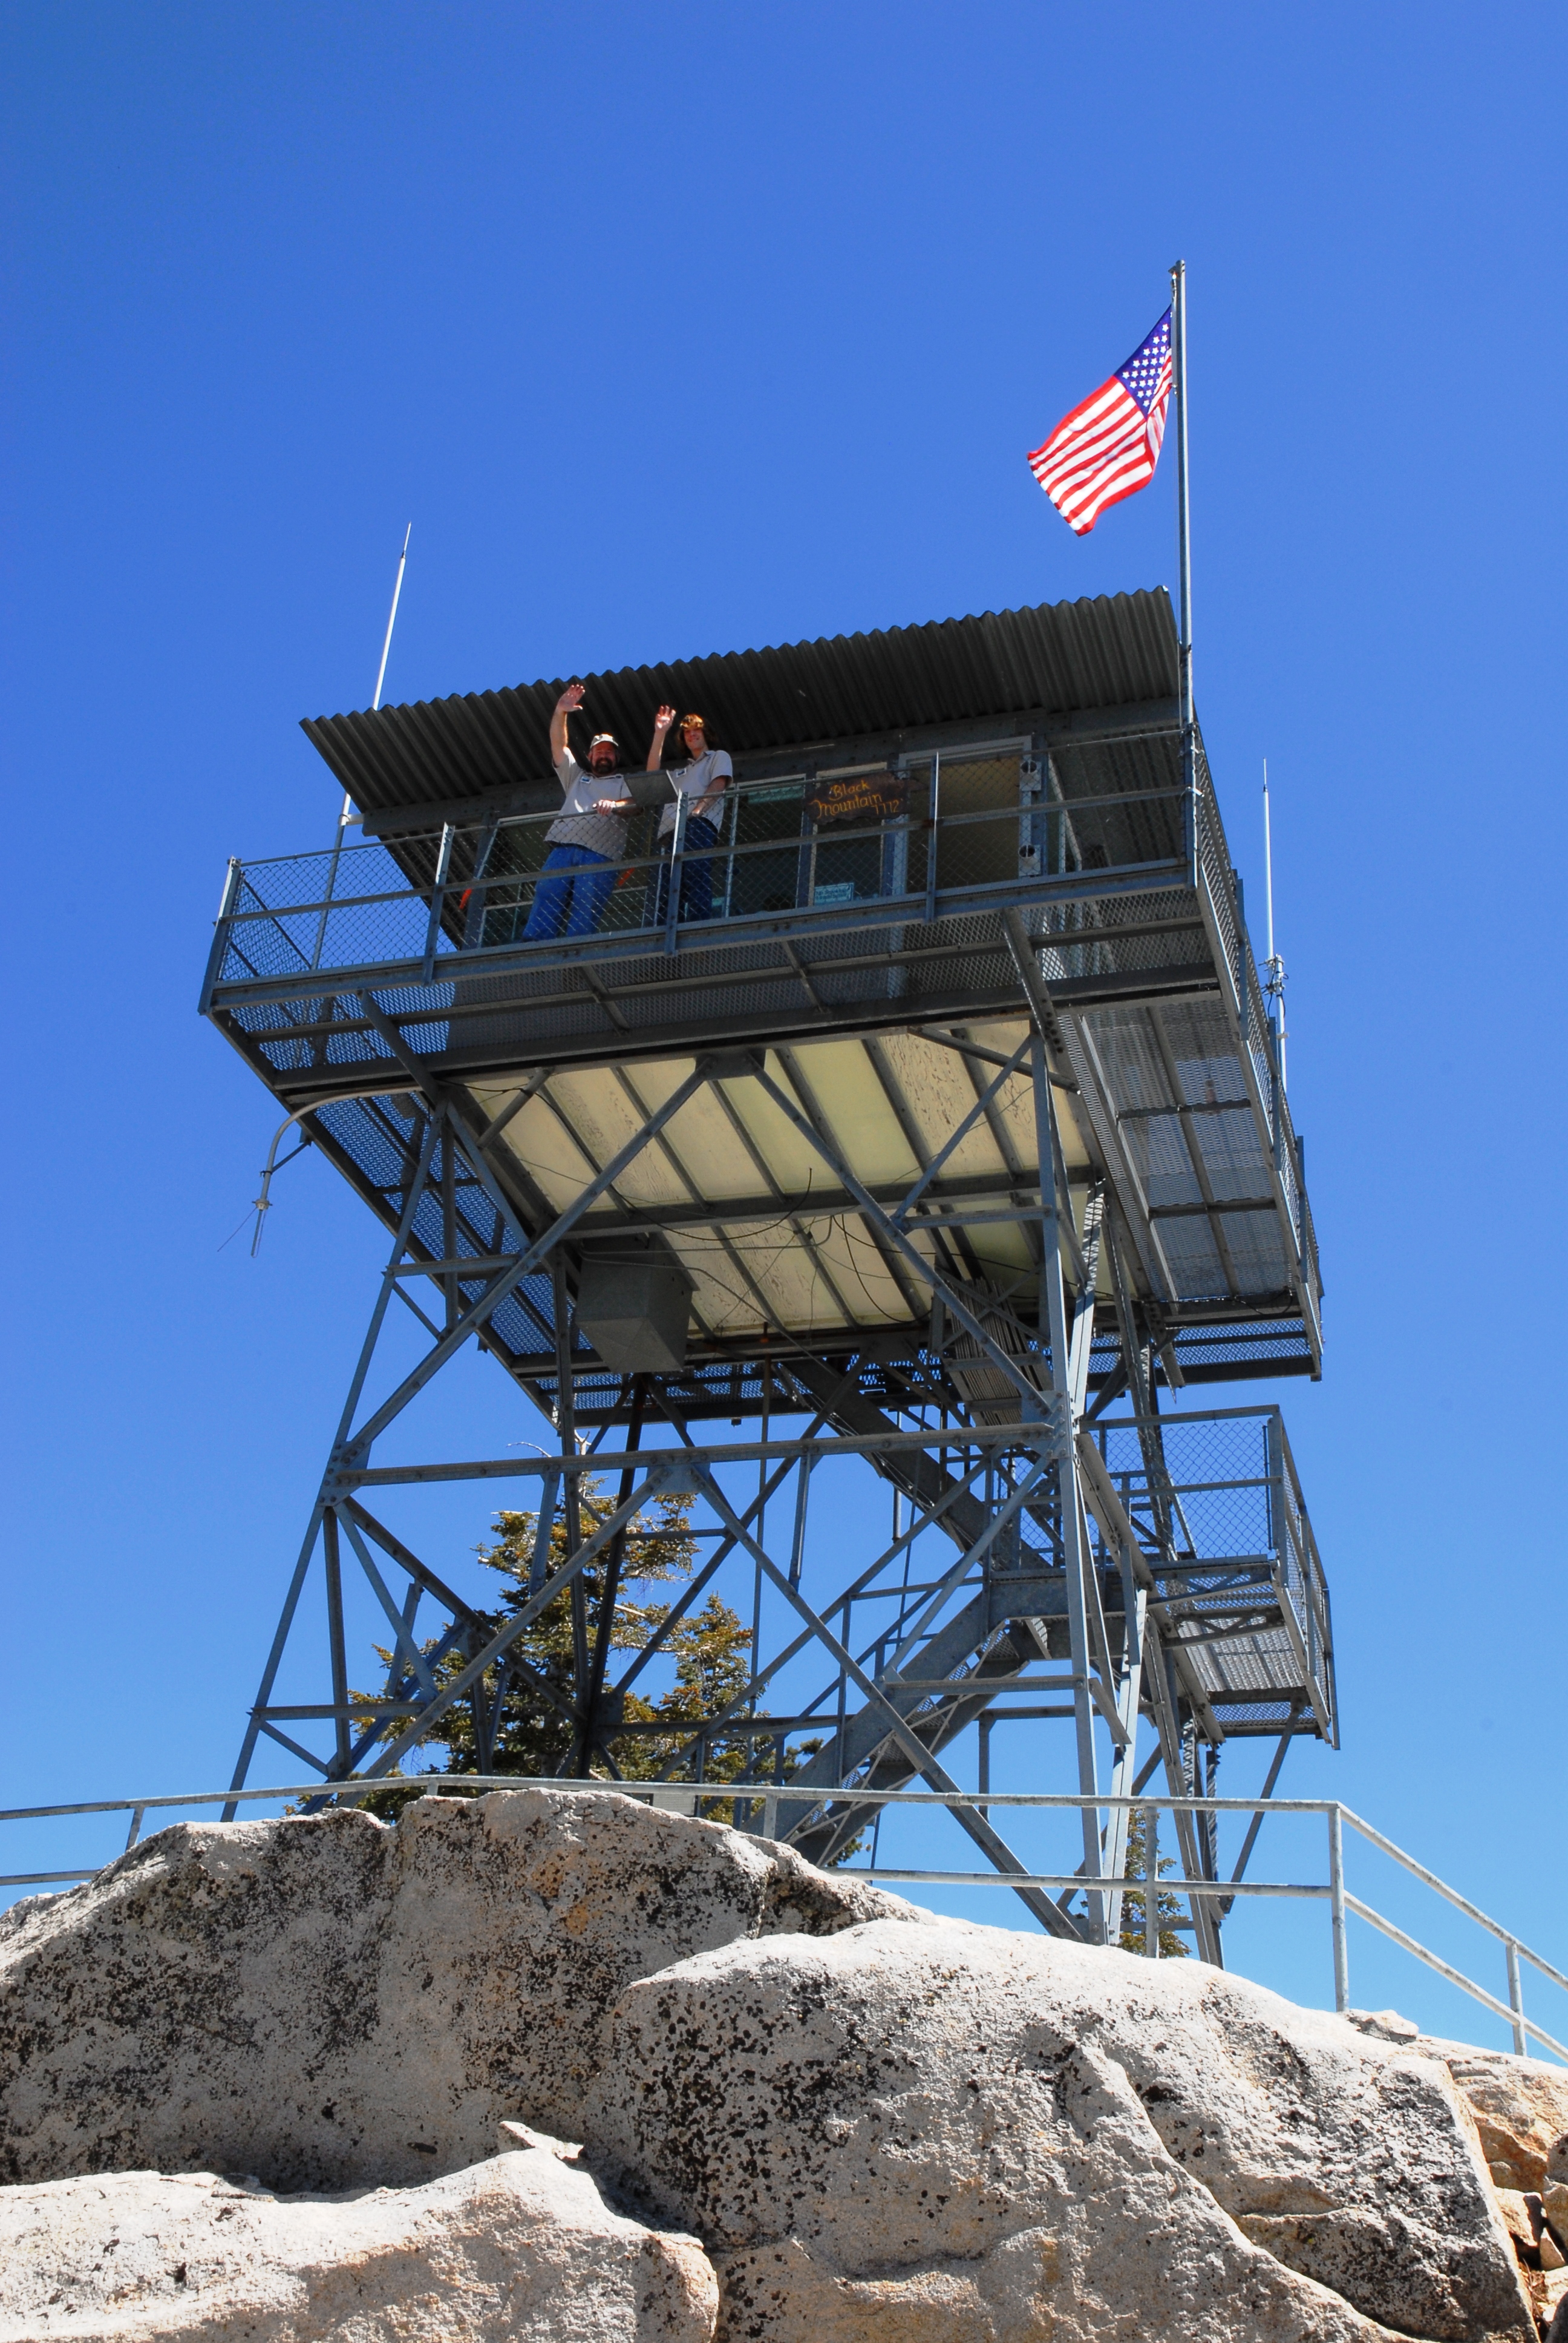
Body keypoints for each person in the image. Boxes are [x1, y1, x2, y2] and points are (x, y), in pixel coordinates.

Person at [523, 681, 632, 940]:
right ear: (590, 756)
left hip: (600, 855)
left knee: (586, 908)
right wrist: (561, 712)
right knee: (548, 897)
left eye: (609, 752)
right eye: (598, 752)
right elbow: (559, 746)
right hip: (563, 850)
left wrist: (615, 806)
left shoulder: (623, 783)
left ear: (616, 758)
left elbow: (637, 806)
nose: (603, 755)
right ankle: (533, 952)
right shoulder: (576, 778)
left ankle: (577, 956)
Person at [647, 708, 732, 926]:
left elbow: (719, 783)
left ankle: (697, 929)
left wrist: (697, 812)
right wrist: (660, 733)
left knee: (696, 877)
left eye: (697, 730)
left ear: (706, 734)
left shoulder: (718, 757)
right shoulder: (679, 773)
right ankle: (665, 934)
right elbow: (651, 777)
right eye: (687, 732)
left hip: (698, 826)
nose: (692, 735)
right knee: (668, 889)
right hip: (672, 834)